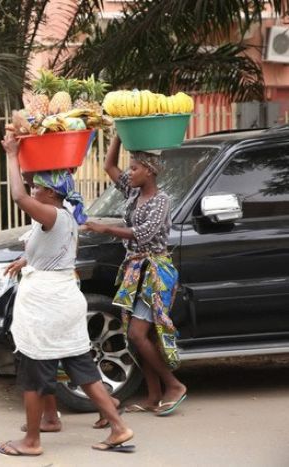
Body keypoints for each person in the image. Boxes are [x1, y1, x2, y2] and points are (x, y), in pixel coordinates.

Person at [0, 132, 133, 456]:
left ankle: (31, 441)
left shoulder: (52, 214)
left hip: (47, 305)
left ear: (51, 193)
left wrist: (13, 155)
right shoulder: (66, 218)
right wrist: (26, 260)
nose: (33, 190)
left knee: (33, 371)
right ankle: (118, 427)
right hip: (65, 299)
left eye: (38, 186)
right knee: (82, 368)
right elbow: (56, 253)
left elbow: (17, 196)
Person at [84, 135, 186, 416]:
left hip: (155, 271)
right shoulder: (133, 192)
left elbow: (142, 234)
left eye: (134, 168)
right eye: (129, 169)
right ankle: (153, 395)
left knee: (138, 335)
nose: (129, 173)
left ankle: (174, 385)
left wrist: (104, 229)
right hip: (135, 271)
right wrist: (119, 135)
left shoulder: (161, 201)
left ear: (149, 170)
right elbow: (108, 165)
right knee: (139, 337)